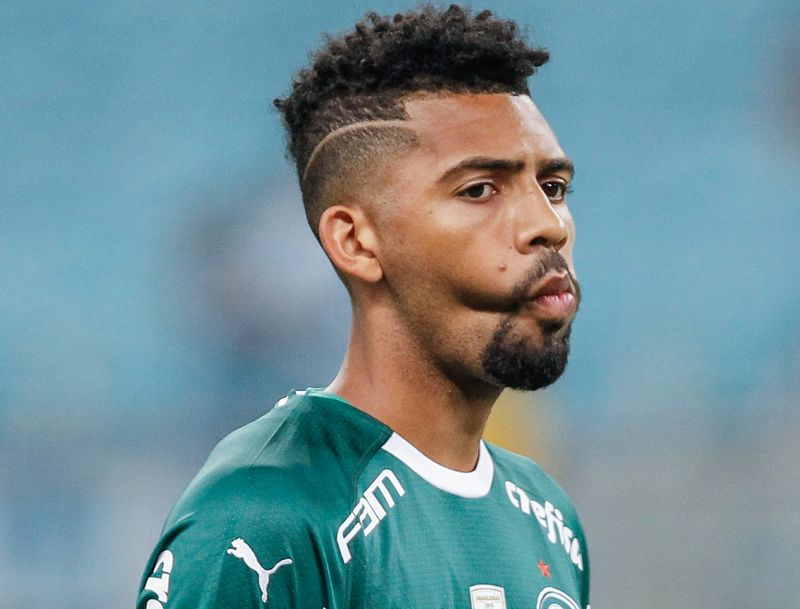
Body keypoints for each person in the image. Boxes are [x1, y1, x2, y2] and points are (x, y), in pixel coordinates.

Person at [137, 5, 589, 609]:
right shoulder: (266, 515)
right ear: (356, 242)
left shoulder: (549, 519)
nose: (547, 224)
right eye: (479, 189)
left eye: (552, 188)